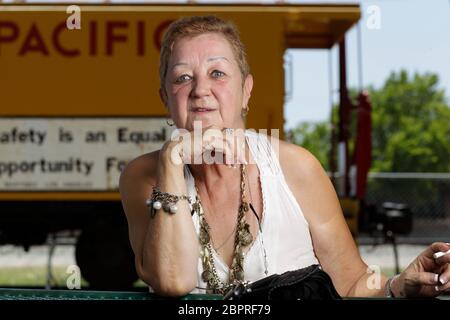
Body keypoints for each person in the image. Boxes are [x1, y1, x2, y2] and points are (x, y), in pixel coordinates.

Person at [119, 15, 450, 298]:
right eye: (182, 78)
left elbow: (352, 284)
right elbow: (172, 281)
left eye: (217, 73)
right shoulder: (144, 176)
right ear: (165, 98)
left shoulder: (295, 167)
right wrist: (172, 161)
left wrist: (398, 285)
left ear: (246, 90)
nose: (200, 89)